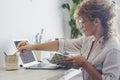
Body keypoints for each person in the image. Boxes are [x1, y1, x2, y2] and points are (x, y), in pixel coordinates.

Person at [17, 0, 120, 80]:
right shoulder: (89, 40)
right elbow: (62, 44)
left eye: (83, 21)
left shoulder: (113, 48)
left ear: (96, 21)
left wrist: (85, 64)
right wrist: (32, 47)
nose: (81, 26)